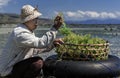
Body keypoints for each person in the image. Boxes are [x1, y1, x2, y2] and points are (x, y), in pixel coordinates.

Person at [0, 4, 64, 78]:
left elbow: (34, 50)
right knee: (38, 62)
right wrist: (55, 28)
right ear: (27, 20)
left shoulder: (27, 31)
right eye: (34, 19)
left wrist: (53, 44)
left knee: (38, 67)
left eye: (37, 18)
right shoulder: (20, 33)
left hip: (15, 66)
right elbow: (41, 43)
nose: (37, 21)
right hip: (7, 71)